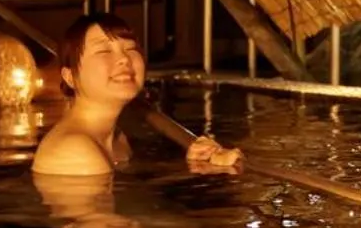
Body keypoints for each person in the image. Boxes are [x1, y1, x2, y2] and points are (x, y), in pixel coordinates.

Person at [31, 12, 241, 177]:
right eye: (104, 51)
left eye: (131, 48)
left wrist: (196, 163)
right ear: (70, 77)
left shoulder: (117, 138)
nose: (124, 59)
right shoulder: (74, 151)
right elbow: (109, 224)